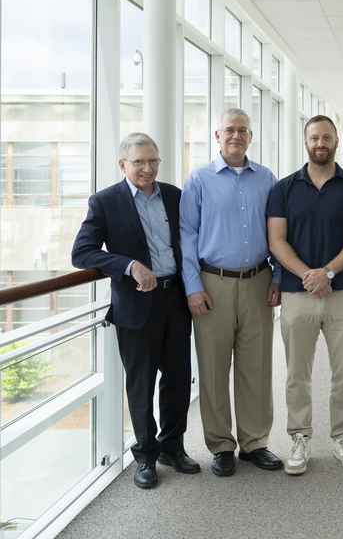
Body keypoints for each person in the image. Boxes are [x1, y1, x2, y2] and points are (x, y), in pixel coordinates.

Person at [72, 133, 198, 489]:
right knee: (141, 384)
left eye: (154, 160)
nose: (148, 168)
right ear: (122, 164)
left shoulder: (174, 195)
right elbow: (82, 252)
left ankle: (174, 447)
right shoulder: (104, 201)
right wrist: (128, 265)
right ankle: (145, 455)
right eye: (140, 161)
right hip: (136, 303)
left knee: (177, 378)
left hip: (176, 297)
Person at [266, 114, 343, 474]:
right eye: (315, 138)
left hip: (342, 292)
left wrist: (327, 273)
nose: (321, 143)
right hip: (298, 295)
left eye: (327, 137)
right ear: (306, 141)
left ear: (336, 141)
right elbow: (275, 240)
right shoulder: (283, 188)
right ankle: (299, 437)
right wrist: (308, 276)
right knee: (298, 373)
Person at [180, 108, 283, 477]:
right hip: (212, 284)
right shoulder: (199, 180)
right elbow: (186, 238)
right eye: (229, 130)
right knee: (213, 367)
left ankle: (255, 442)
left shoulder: (266, 179)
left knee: (256, 367)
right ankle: (221, 445)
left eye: (242, 130)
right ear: (217, 135)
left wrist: (278, 277)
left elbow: (278, 234)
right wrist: (192, 287)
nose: (236, 135)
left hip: (258, 280)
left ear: (250, 137)